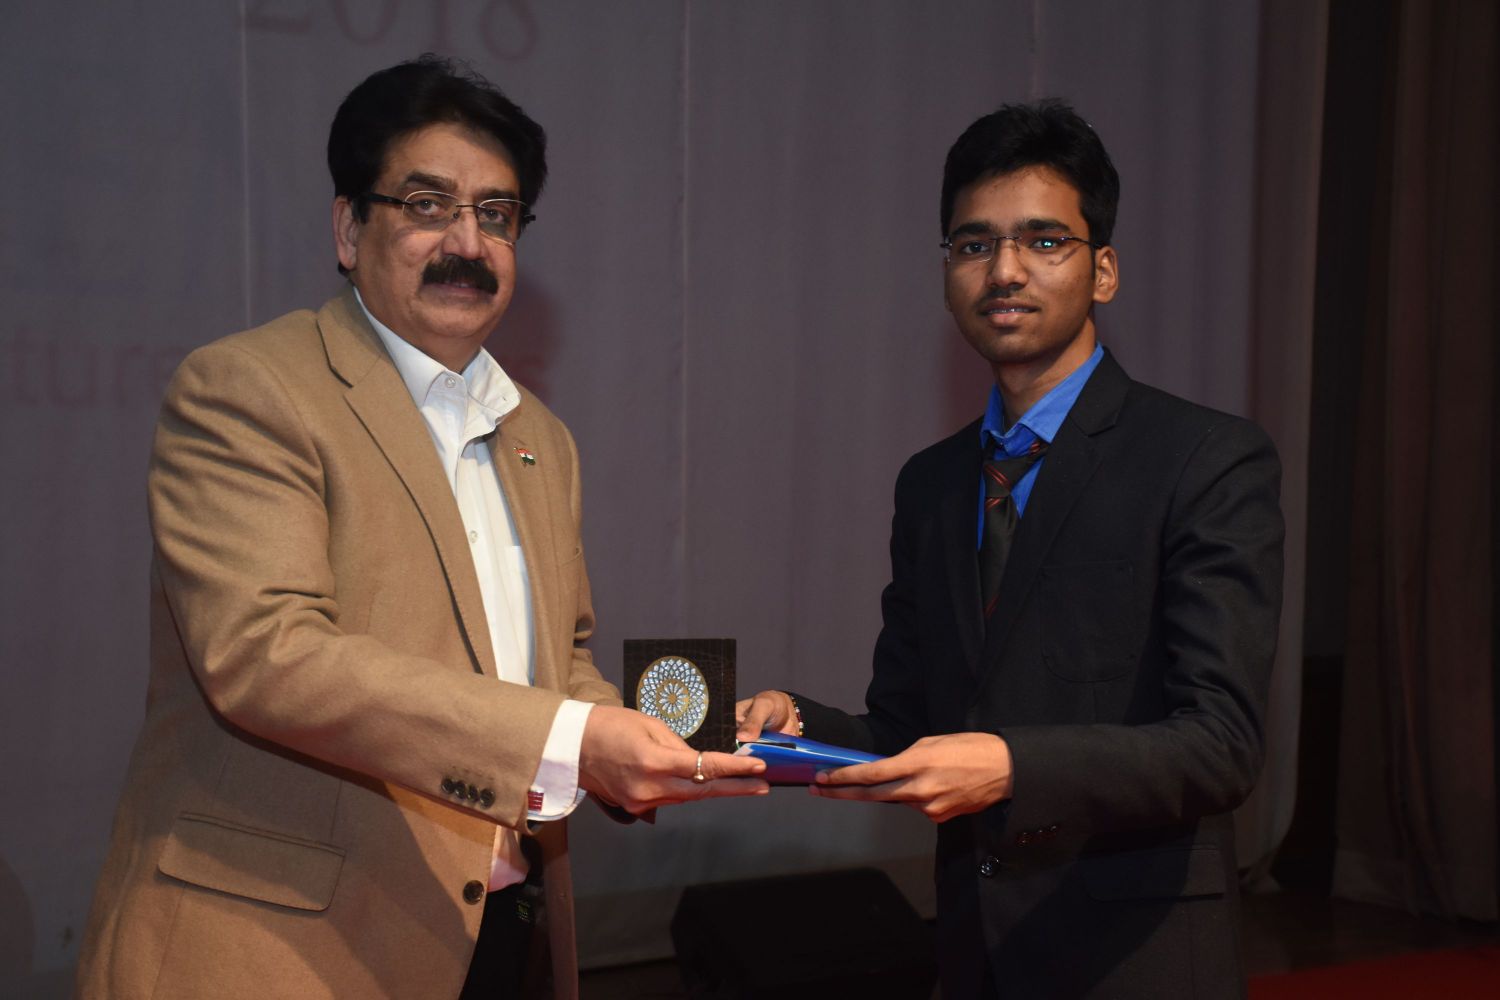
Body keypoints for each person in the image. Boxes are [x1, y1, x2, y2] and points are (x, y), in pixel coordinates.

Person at [75, 55, 766, 1000]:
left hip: (501, 934)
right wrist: (573, 738)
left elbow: (555, 665)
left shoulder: (539, 437)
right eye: (428, 204)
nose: (468, 243)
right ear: (349, 228)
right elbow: (267, 654)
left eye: (497, 214)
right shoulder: (250, 389)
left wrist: (668, 738)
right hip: (287, 947)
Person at [738, 101, 1283, 998]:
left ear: (1103, 270)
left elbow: (1221, 744)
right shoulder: (932, 483)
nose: (1004, 270)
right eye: (974, 244)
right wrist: (800, 724)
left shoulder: (1205, 458)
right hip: (974, 954)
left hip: (1135, 958)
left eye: (1044, 240)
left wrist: (1010, 767)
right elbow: (907, 728)